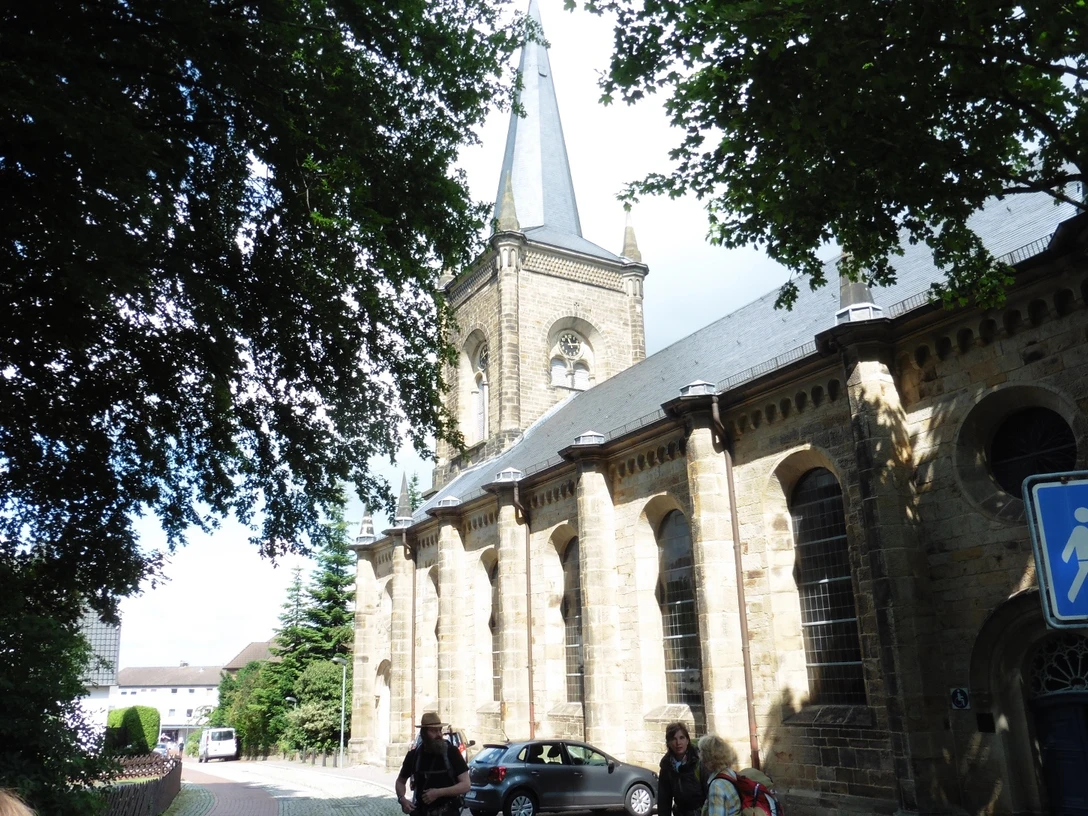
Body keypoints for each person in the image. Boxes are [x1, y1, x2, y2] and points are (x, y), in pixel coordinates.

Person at [396, 712, 469, 816]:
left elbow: (466, 785)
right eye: (434, 731)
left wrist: (439, 793)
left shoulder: (452, 752)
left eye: (439, 730)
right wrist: (402, 799)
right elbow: (400, 782)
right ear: (424, 734)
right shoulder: (414, 755)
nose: (439, 734)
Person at [657, 722, 705, 816]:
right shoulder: (667, 766)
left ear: (687, 740)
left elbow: (710, 793)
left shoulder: (699, 760)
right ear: (668, 743)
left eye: (681, 738)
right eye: (673, 739)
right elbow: (664, 799)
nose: (678, 743)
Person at [697, 735, 741, 816]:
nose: (699, 755)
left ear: (706, 757)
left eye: (700, 752)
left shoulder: (716, 786)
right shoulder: (730, 773)